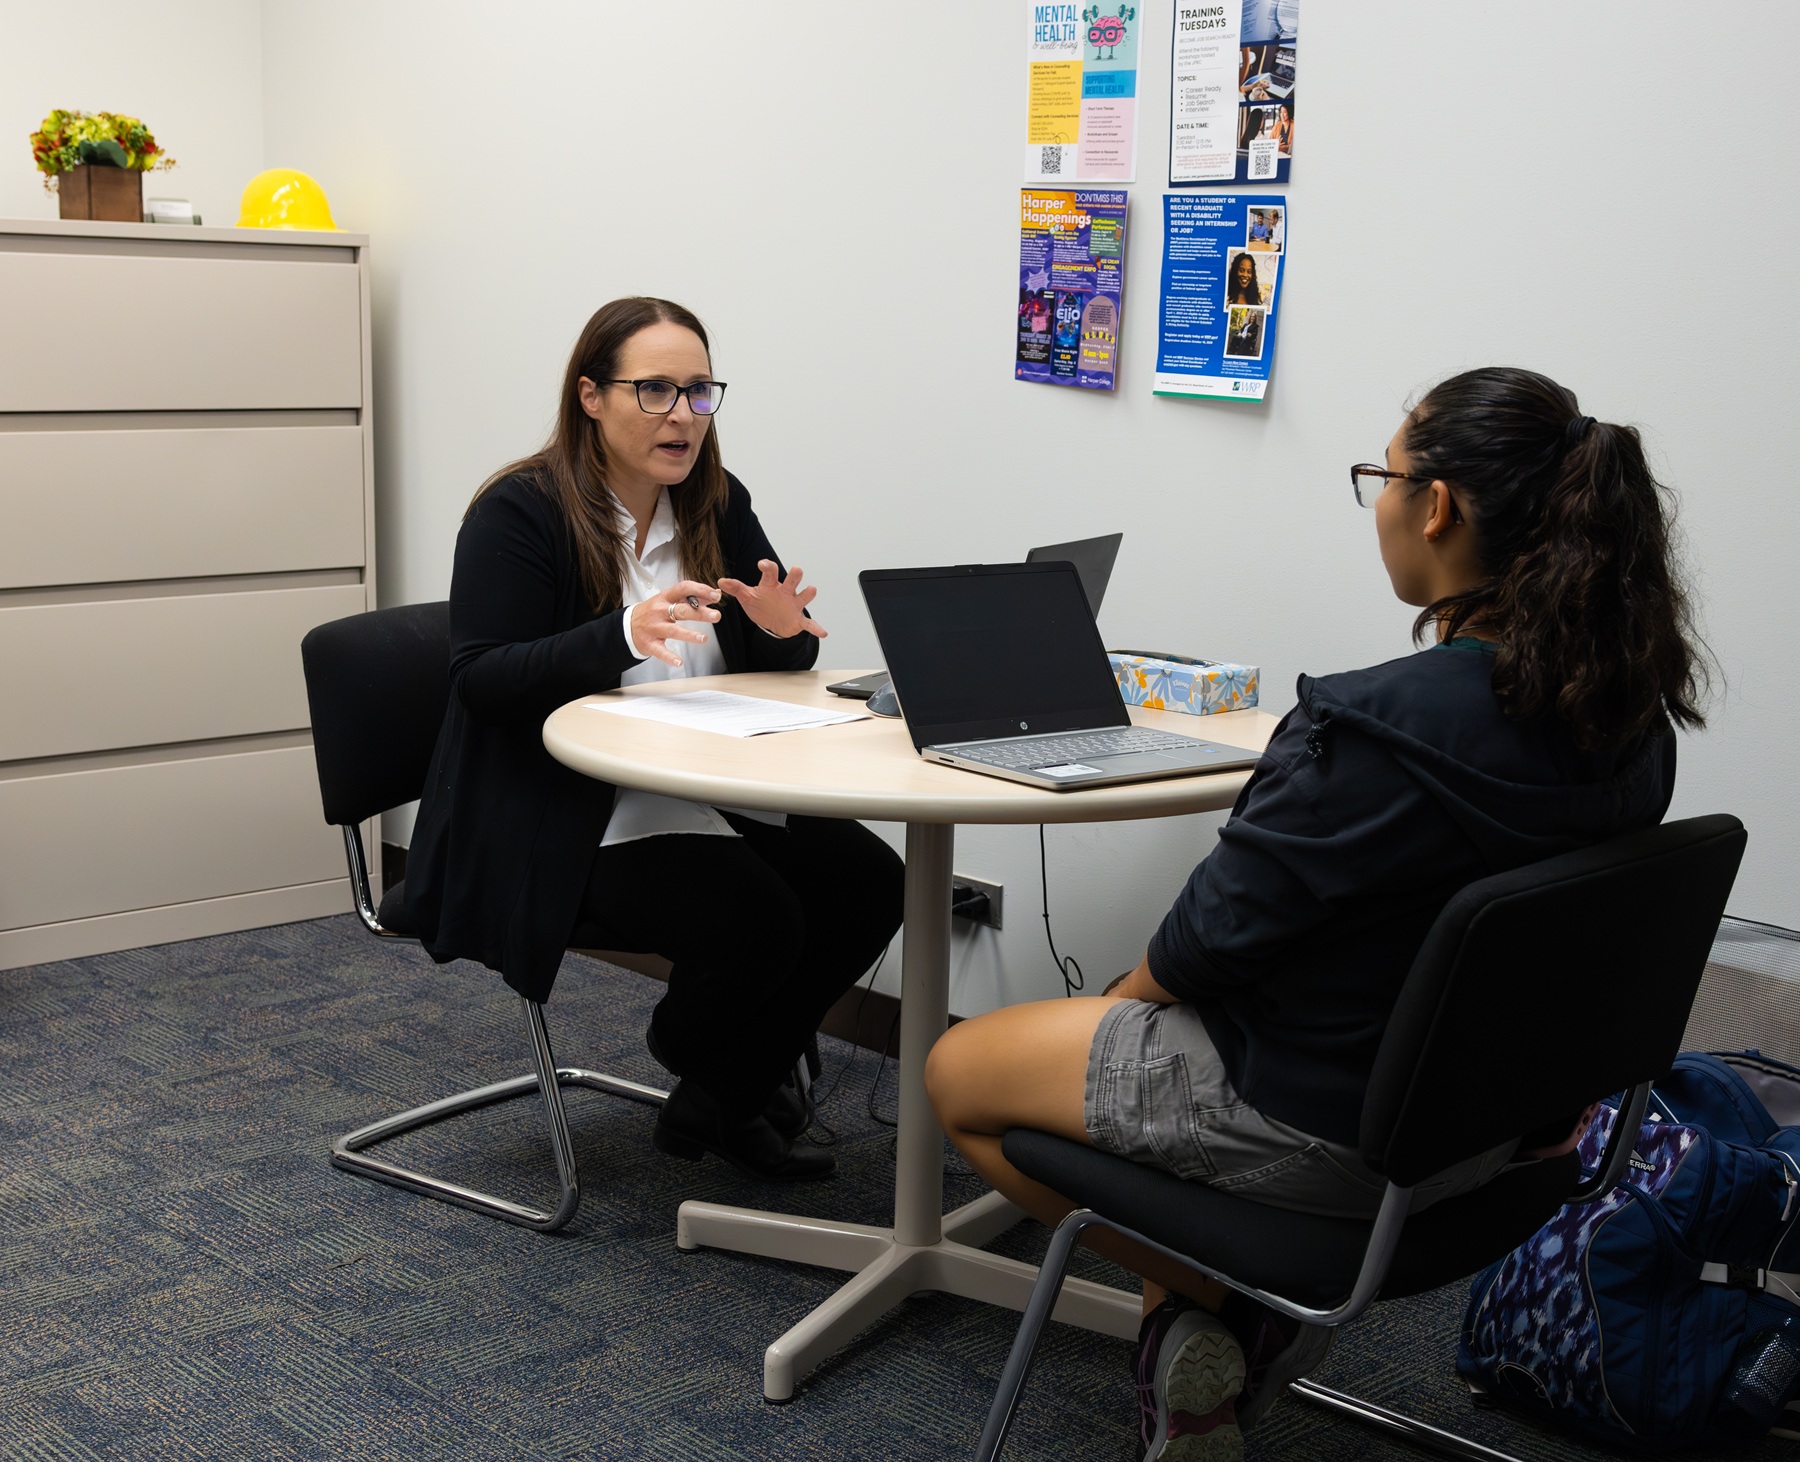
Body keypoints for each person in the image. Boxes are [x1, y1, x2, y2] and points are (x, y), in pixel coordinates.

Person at [925, 367, 1706, 1458]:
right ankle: (1193, 1330)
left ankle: (1226, 1308)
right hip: (1498, 1133)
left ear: (1437, 505)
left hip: (1329, 1127)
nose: (1377, 502)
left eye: (1379, 476)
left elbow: (1203, 944)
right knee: (1095, 1047)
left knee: (959, 1074)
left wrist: (1115, 1004)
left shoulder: (1372, 727)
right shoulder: (1630, 720)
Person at [406, 296, 904, 1184]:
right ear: (591, 397)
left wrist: (786, 631)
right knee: (759, 920)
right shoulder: (521, 512)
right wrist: (622, 634)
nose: (682, 416)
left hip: (704, 775)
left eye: (699, 392)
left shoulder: (716, 500)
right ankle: (703, 1058)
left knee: (871, 883)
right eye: (655, 391)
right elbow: (482, 680)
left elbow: (766, 651)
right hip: (561, 800)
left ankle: (720, 1094)